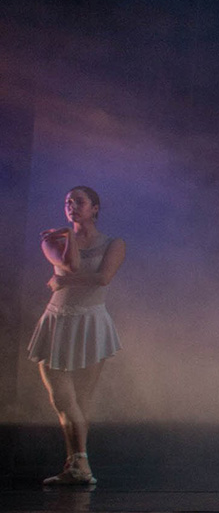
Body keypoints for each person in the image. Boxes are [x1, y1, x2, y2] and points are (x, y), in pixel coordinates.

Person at [30, 186, 125, 485]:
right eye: (67, 202)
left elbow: (102, 278)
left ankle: (77, 466)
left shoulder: (114, 243)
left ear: (95, 208)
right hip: (57, 321)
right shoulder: (52, 240)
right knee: (62, 399)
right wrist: (69, 237)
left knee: (81, 400)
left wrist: (63, 280)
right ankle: (79, 464)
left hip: (90, 321)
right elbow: (70, 265)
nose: (71, 206)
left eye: (79, 202)